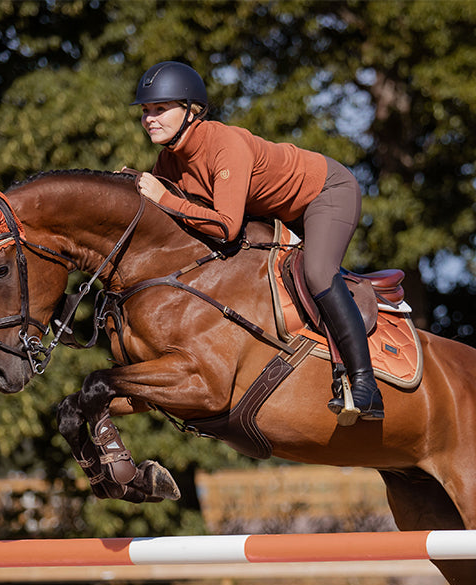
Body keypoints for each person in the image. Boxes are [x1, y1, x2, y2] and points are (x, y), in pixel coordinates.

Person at [131, 60, 384, 423]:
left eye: (160, 109)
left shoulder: (224, 144)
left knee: (317, 271)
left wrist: (164, 198)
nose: (149, 119)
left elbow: (225, 226)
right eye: (145, 111)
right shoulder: (168, 161)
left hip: (325, 192)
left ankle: (365, 384)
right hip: (277, 211)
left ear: (191, 111)